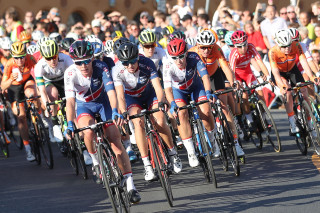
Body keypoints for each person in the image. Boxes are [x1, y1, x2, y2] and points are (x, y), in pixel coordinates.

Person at [64, 40, 141, 203]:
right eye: (79, 63)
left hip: (103, 102)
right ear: (73, 62)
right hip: (84, 105)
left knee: (115, 140)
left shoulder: (102, 67)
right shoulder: (70, 74)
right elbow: (70, 102)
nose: (84, 66)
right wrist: (69, 123)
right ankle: (96, 162)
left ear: (92, 58)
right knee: (88, 130)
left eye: (86, 61)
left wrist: (114, 111)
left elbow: (112, 93)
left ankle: (131, 186)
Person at [112, 42, 182, 181]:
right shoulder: (117, 70)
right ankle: (147, 165)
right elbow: (120, 95)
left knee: (160, 120)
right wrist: (124, 111)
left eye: (133, 61)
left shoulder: (147, 63)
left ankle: (172, 152)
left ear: (138, 57)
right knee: (138, 123)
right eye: (126, 63)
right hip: (132, 99)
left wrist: (162, 101)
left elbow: (157, 86)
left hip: (150, 94)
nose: (130, 66)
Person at [163, 38, 221, 166]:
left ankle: (213, 140)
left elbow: (205, 76)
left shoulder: (194, 57)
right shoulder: (167, 65)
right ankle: (191, 152)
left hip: (196, 87)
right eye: (174, 58)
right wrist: (172, 103)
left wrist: (207, 92)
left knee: (206, 110)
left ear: (186, 53)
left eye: (181, 56)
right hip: (179, 92)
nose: (178, 61)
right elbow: (167, 89)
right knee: (181, 114)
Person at [189, 29, 244, 155]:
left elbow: (224, 66)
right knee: (205, 109)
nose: (206, 50)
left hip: (214, 77)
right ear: (198, 45)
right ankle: (211, 134)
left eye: (209, 47)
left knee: (224, 107)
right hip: (200, 81)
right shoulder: (192, 53)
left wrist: (233, 81)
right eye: (203, 47)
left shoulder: (217, 49)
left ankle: (236, 143)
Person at [269, 29, 318, 135]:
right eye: (284, 46)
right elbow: (275, 71)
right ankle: (292, 122)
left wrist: (311, 76)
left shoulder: (296, 45)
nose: (287, 48)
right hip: (280, 73)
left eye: (289, 45)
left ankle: (310, 122)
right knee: (288, 92)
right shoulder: (273, 52)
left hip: (292, 70)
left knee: (304, 93)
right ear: (278, 45)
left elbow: (304, 61)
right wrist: (281, 85)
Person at [1, 41, 39, 161]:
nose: (20, 60)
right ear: (13, 56)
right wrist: (10, 79)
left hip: (27, 81)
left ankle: (38, 117)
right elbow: (3, 86)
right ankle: (28, 148)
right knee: (21, 116)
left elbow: (39, 72)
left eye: (22, 57)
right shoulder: (9, 64)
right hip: (14, 87)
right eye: (16, 58)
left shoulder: (30, 58)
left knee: (32, 93)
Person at [229, 30, 271, 134]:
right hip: (237, 76)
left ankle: (264, 118)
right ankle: (250, 121)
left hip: (248, 74)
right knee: (244, 97)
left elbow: (259, 62)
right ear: (235, 46)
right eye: (239, 46)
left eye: (244, 45)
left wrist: (266, 75)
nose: (243, 48)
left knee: (261, 94)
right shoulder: (234, 54)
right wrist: (235, 84)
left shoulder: (251, 47)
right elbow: (232, 72)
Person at [34, 39, 74, 146]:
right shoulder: (39, 66)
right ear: (43, 57)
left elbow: (74, 78)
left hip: (65, 80)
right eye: (48, 58)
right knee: (52, 93)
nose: (52, 61)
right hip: (50, 83)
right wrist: (47, 104)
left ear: (58, 54)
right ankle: (55, 123)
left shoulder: (66, 58)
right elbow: (41, 89)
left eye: (54, 57)